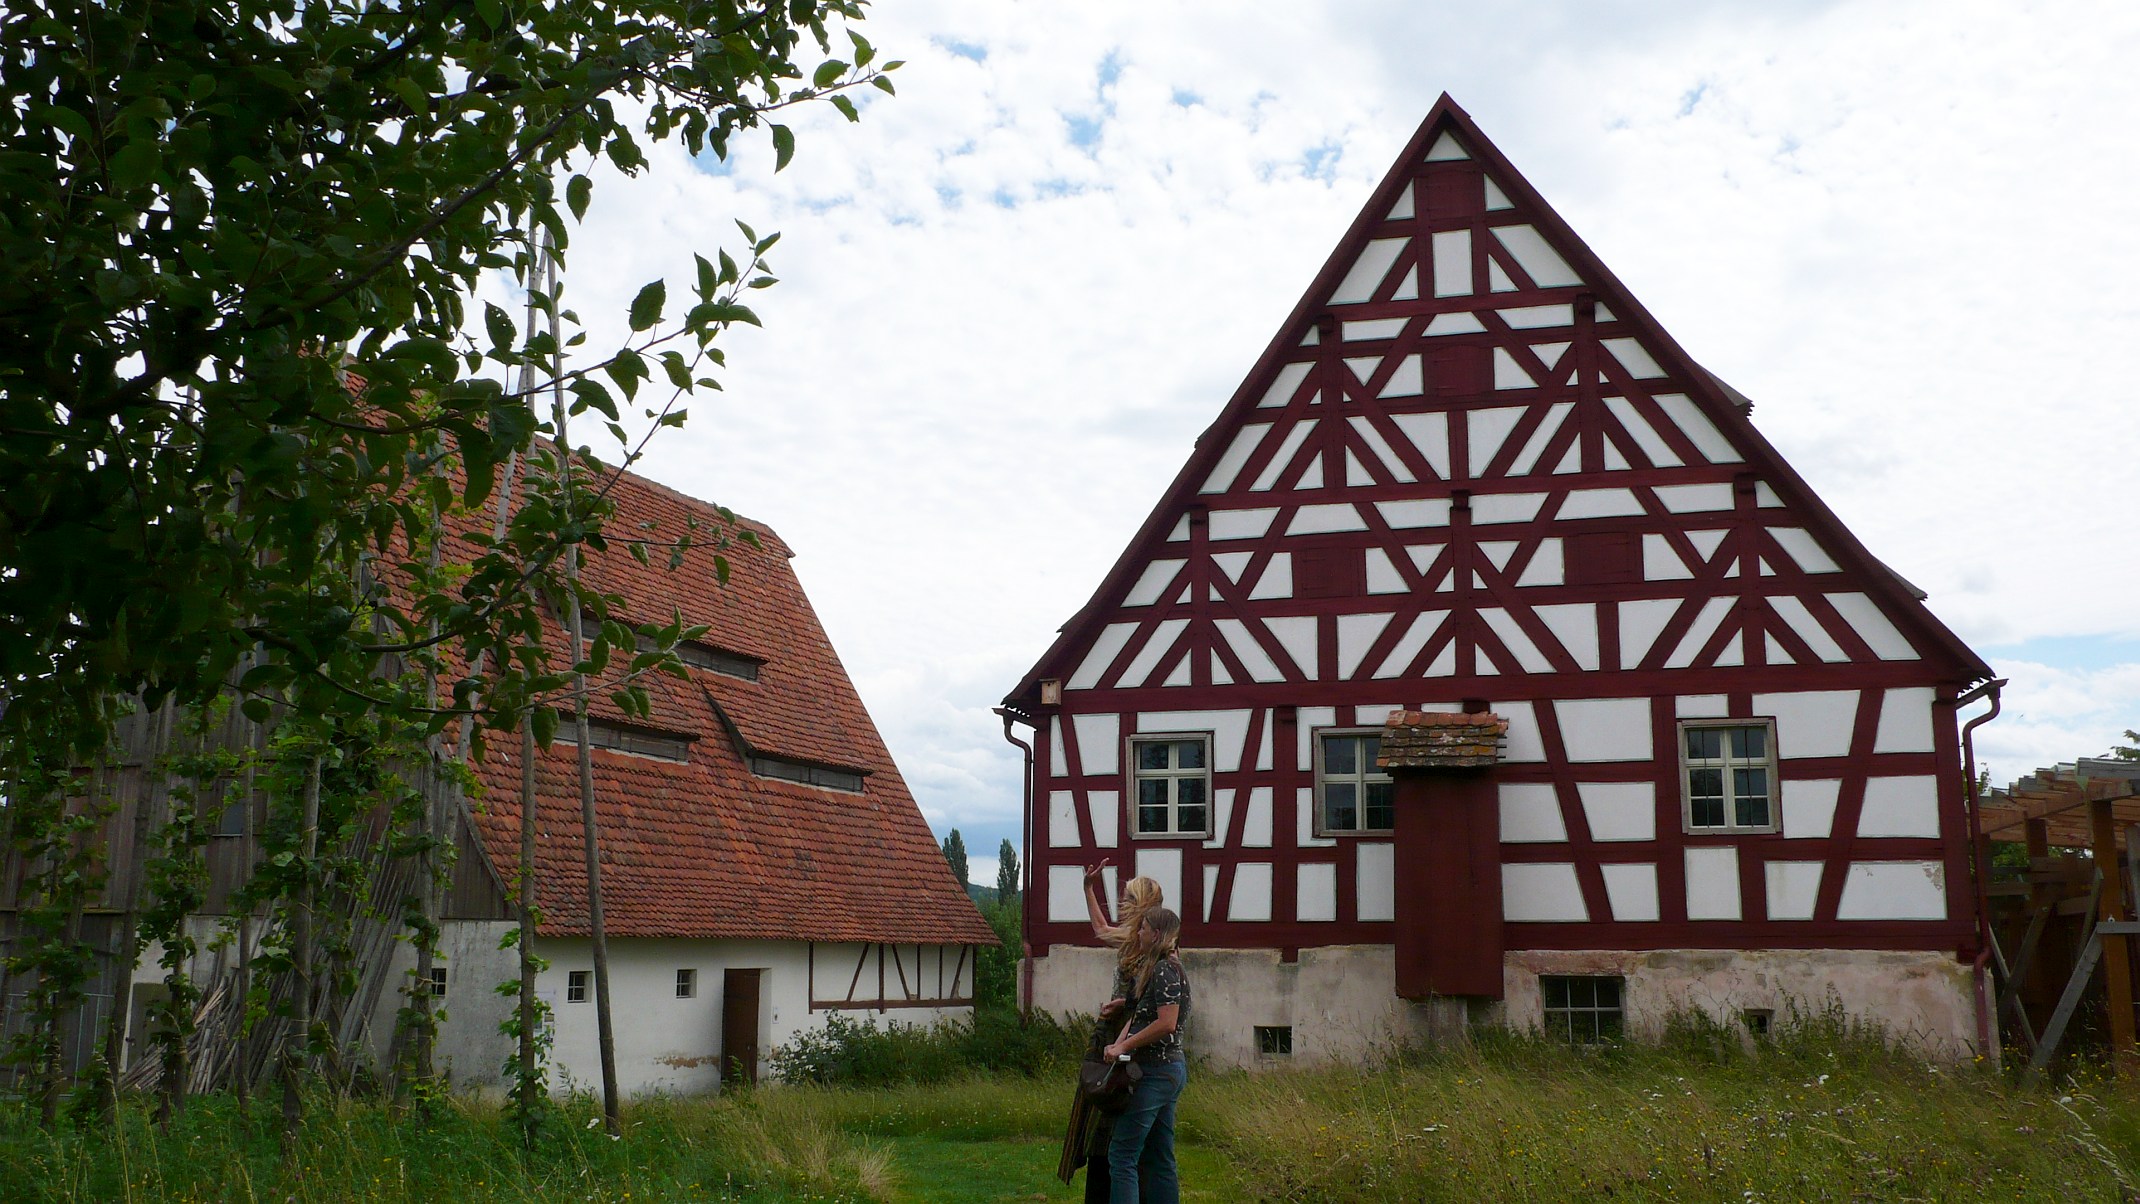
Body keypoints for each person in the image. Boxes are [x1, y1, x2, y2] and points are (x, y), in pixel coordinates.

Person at [1075, 862, 1163, 1202]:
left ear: (1141, 903)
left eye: (1128, 898)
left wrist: (1122, 1015)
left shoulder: (1150, 944)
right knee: (1109, 1112)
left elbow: (1144, 1000)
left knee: (1118, 1113)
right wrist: (1088, 889)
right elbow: (1100, 928)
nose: (1122, 903)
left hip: (1131, 1037)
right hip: (1118, 1030)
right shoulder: (1132, 938)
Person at [1104, 907, 1190, 1204]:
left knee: (1122, 1155)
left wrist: (1125, 1047)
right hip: (1169, 1071)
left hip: (1156, 1071)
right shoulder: (1161, 968)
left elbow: (1166, 1022)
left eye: (1143, 928)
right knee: (1158, 1154)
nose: (1138, 933)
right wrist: (1117, 1044)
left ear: (1156, 934)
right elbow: (1142, 1014)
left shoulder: (1165, 969)